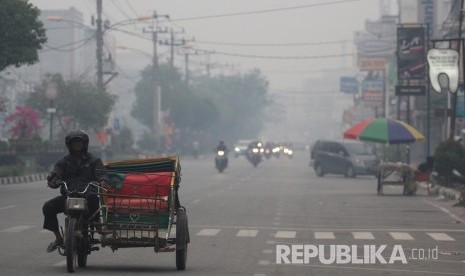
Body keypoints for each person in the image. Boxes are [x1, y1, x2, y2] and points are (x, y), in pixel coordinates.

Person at [43, 130, 109, 253]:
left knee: (94, 198)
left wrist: (103, 180)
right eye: (75, 142)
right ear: (70, 144)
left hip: (88, 196)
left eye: (79, 142)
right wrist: (53, 180)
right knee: (47, 207)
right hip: (69, 196)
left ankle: (97, 222)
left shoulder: (94, 160)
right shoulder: (64, 161)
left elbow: (102, 173)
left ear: (84, 144)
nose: (77, 144)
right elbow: (57, 172)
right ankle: (58, 238)